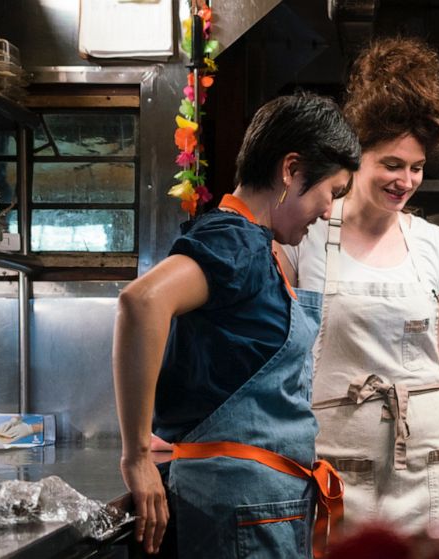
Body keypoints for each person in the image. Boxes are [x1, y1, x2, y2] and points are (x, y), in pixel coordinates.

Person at [113, 92, 360, 558]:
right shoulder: (236, 242)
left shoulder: (256, 246)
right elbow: (141, 303)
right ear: (290, 170)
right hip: (244, 513)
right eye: (332, 192)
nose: (329, 211)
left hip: (258, 508)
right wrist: (136, 457)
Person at [280, 37, 439, 533]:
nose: (406, 181)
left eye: (416, 167)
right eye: (392, 165)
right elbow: (282, 351)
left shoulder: (434, 246)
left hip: (432, 468)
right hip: (332, 469)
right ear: (356, 158)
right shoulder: (306, 237)